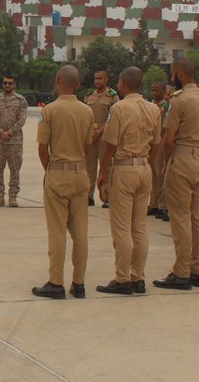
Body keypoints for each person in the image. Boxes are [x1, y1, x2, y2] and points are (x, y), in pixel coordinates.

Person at [32, 65, 96, 299]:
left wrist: (50, 171)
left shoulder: (49, 110)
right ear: (77, 84)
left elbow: (42, 148)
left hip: (58, 173)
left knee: (57, 231)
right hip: (80, 173)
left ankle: (56, 282)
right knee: (80, 233)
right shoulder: (87, 111)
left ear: (58, 80)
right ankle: (78, 283)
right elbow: (89, 145)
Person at [96, 66, 161, 295]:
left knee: (122, 227)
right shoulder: (154, 109)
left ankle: (122, 278)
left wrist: (102, 171)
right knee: (140, 225)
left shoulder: (119, 108)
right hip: (144, 167)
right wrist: (147, 164)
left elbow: (111, 143)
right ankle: (138, 277)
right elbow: (156, 144)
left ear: (122, 83)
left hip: (124, 168)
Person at [153, 58, 199, 291]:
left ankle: (181, 271)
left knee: (180, 218)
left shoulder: (179, 100)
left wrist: (167, 163)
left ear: (178, 73)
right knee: (198, 216)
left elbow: (168, 139)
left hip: (183, 158)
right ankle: (198, 269)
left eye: (173, 73)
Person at [0, 74, 28, 207]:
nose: (7, 85)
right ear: (2, 84)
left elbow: (22, 119)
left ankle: (13, 197)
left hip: (14, 141)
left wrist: (10, 133)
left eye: (10, 83)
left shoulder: (21, 100)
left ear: (14, 85)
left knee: (15, 170)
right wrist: (1, 132)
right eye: (5, 83)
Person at [82, 71, 119, 207]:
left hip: (105, 137)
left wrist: (100, 130)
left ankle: (106, 196)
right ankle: (88, 196)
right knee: (88, 167)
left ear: (106, 79)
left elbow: (113, 116)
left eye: (100, 78)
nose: (97, 81)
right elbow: (84, 115)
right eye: (95, 78)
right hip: (91, 136)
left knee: (106, 166)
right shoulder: (89, 96)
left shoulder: (112, 96)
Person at [148, 80, 170, 220]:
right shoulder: (150, 105)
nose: (154, 93)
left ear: (163, 91)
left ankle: (162, 206)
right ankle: (153, 203)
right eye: (153, 90)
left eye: (157, 90)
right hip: (151, 141)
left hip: (161, 141)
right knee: (152, 175)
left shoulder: (167, 106)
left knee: (161, 174)